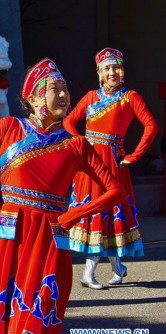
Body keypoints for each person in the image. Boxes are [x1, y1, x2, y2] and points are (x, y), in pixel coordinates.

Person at [0, 58, 124, 334]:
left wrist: (73, 215)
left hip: (50, 240)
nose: (65, 95)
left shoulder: (76, 144)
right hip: (7, 237)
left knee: (36, 319)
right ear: (34, 96)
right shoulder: (8, 128)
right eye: (56, 89)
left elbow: (114, 190)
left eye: (66, 88)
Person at [63, 48, 159, 289]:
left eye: (116, 67)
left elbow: (151, 126)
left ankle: (114, 269)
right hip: (90, 165)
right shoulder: (90, 97)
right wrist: (81, 145)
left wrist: (134, 156)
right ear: (99, 73)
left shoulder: (131, 97)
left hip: (114, 164)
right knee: (96, 212)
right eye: (106, 68)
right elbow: (68, 121)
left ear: (122, 70)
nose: (112, 72)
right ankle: (93, 272)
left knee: (111, 214)